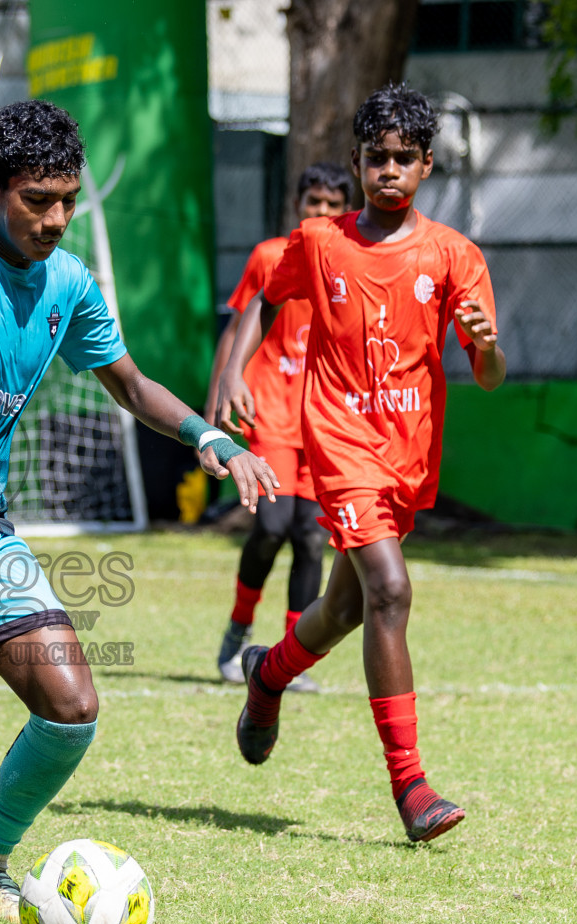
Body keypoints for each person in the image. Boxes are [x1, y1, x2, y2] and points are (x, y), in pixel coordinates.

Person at [0, 99, 279, 923]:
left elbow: (132, 384)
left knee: (73, 710)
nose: (57, 218)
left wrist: (209, 437)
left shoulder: (70, 284)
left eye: (67, 199)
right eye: (37, 199)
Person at [214, 83, 506, 843]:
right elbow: (260, 303)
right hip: (339, 443)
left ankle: (267, 674)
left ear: (426, 166)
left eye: (404, 159)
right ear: (357, 162)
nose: (389, 171)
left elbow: (489, 373)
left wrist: (487, 341)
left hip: (407, 455)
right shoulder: (318, 244)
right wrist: (234, 379)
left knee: (345, 609)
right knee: (391, 589)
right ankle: (411, 787)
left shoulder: (454, 256)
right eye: (376, 158)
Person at [207, 163, 351, 689]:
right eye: (314, 202)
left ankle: (293, 658)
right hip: (270, 411)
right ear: (298, 206)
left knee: (311, 540)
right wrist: (219, 396)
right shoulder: (272, 257)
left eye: (334, 205)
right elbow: (239, 328)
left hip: (328, 423)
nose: (323, 213)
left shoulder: (351, 264)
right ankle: (239, 631)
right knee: (270, 527)